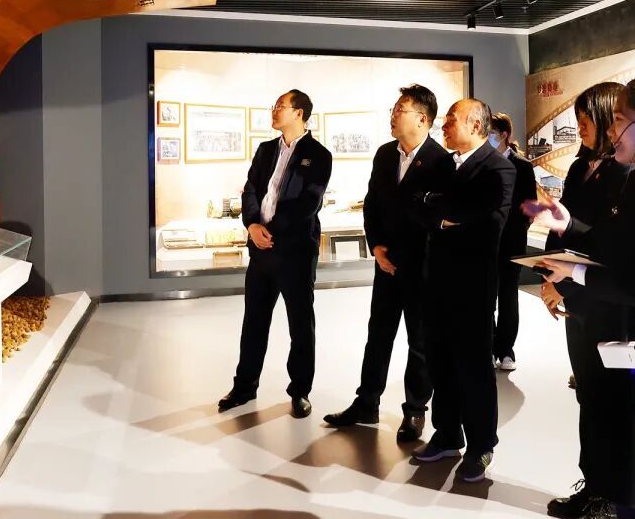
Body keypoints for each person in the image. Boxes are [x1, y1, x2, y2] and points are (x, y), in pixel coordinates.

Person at [526, 78, 635, 519]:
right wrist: (569, 225)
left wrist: (577, 272)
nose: (610, 131)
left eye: (619, 121)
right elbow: (620, 248)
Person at [323, 84, 454, 442]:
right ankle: (367, 402)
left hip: (422, 268)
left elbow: (438, 220)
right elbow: (372, 205)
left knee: (419, 342)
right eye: (394, 110)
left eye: (400, 110)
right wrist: (377, 247)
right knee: (378, 335)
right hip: (386, 263)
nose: (393, 115)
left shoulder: (441, 162)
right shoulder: (385, 154)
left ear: (422, 119)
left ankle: (415, 410)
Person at [410, 99, 514, 483]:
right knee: (439, 360)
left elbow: (487, 223)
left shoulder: (499, 168)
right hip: (436, 279)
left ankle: (482, 444)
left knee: (474, 367)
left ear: (474, 124)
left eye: (451, 120)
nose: (444, 126)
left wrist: (440, 208)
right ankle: (447, 433)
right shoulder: (443, 165)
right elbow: (417, 206)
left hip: (473, 285)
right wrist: (444, 214)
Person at [542, 82, 629, 519]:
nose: (580, 126)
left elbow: (608, 247)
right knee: (589, 397)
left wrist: (564, 283)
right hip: (577, 301)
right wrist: (549, 278)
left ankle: (612, 495)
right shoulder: (580, 168)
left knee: (615, 400)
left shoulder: (624, 173)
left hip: (611, 307)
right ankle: (593, 484)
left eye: (586, 118)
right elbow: (564, 230)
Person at [219, 89, 332, 418]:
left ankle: (300, 391)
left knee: (300, 325)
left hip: (295, 252)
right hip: (261, 250)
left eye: (281, 106)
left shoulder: (318, 155)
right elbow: (251, 189)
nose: (274, 110)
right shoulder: (266, 149)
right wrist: (253, 225)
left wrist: (273, 232)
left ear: (298, 113)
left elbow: (309, 202)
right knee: (254, 321)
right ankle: (244, 387)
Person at [488, 112, 537, 372]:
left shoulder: (523, 166)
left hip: (512, 242)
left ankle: (506, 349)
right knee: (486, 296)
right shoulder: (483, 163)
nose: (488, 139)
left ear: (504, 135)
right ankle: (488, 346)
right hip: (486, 241)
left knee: (508, 296)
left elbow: (530, 206)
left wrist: (519, 227)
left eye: (491, 134)